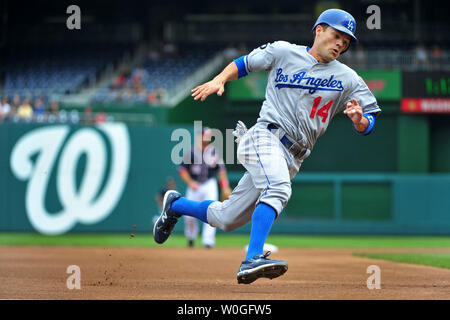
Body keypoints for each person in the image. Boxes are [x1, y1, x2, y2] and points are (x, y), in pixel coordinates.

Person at [153, 9, 381, 284]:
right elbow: (245, 63)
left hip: (294, 157)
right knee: (278, 187)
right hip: (264, 137)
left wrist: (359, 121)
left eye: (345, 42)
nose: (340, 44)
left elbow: (369, 120)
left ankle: (176, 205)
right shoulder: (283, 51)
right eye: (336, 36)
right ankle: (252, 257)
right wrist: (220, 79)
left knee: (227, 219)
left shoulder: (348, 78)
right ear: (319, 30)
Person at [178, 127, 232, 248]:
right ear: (200, 136)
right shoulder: (191, 152)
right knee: (188, 215)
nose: (207, 138)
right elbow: (182, 170)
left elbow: (221, 171)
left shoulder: (213, 152)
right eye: (205, 135)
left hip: (209, 184)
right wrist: (190, 182)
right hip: (194, 185)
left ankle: (208, 241)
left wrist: (225, 187)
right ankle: (191, 237)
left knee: (211, 210)